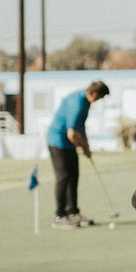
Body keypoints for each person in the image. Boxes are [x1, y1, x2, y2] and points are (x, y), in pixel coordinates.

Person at [46, 81, 109, 228]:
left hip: (68, 144)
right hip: (57, 142)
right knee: (63, 177)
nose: (99, 101)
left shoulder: (86, 102)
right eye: (100, 97)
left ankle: (73, 212)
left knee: (74, 175)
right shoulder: (78, 103)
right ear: (94, 94)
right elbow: (72, 134)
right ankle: (60, 215)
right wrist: (83, 148)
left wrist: (86, 146)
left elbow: (80, 127)